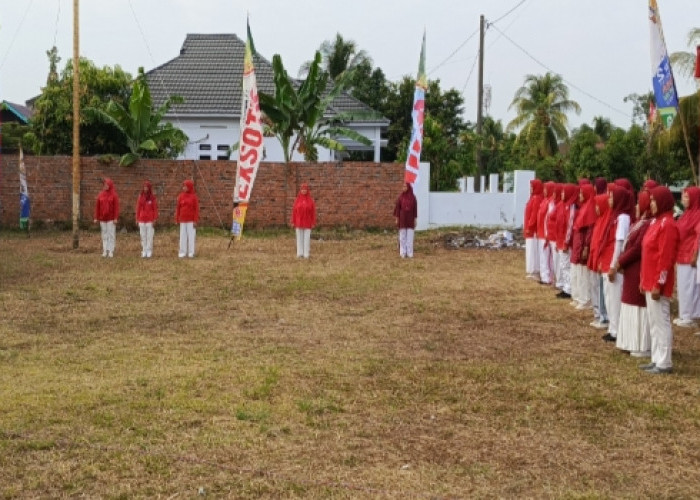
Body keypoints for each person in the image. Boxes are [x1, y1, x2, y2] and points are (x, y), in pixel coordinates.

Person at [640, 186, 679, 374]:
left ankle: (664, 362)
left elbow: (665, 258)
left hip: (658, 283)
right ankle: (656, 358)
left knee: (661, 321)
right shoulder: (657, 222)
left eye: (655, 200)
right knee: (653, 322)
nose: (651, 204)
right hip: (649, 279)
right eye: (651, 200)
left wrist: (658, 283)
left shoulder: (668, 224)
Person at [611, 190, 652, 356]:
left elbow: (636, 249)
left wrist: (620, 261)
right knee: (629, 303)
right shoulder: (640, 222)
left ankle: (640, 345)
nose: (636, 206)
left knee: (637, 306)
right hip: (630, 269)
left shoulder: (647, 223)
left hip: (637, 268)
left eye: (639, 202)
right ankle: (628, 341)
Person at [598, 185, 633, 342]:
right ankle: (613, 328)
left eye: (612, 197)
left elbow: (619, 243)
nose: (609, 200)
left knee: (614, 296)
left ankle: (617, 330)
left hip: (613, 263)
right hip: (607, 261)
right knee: (609, 296)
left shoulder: (623, 217)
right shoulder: (614, 215)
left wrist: (613, 265)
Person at [673, 187, 700, 328]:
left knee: (689, 287)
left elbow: (698, 236)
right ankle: (683, 314)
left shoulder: (697, 215)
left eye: (687, 197)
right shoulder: (686, 214)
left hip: (689, 255)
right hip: (681, 254)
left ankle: (689, 316)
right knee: (682, 286)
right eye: (683, 197)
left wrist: (695, 254)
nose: (684, 200)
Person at [93, 178, 120, 258]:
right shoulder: (100, 194)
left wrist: (115, 218)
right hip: (102, 218)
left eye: (107, 185)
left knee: (111, 234)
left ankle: (111, 250)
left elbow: (116, 207)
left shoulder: (114, 195)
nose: (106, 186)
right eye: (105, 185)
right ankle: (105, 250)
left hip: (111, 218)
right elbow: (97, 207)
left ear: (110, 185)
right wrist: (96, 217)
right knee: (104, 234)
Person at [524, 179, 543, 279]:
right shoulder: (533, 198)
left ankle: (534, 270)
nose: (530, 189)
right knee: (530, 249)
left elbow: (534, 214)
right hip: (530, 229)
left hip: (533, 230)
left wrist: (530, 226)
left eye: (532, 187)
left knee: (533, 250)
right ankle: (532, 269)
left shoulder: (536, 199)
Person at [292, 183, 316, 259]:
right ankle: (299, 253)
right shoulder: (297, 200)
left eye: (305, 189)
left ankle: (306, 254)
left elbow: (313, 212)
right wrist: (293, 221)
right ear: (300, 190)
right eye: (302, 189)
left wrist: (313, 222)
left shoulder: (310, 201)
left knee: (306, 238)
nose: (303, 191)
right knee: (299, 238)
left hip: (307, 222)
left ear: (307, 190)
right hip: (298, 222)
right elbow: (294, 211)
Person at [176, 179, 199, 258]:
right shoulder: (180, 196)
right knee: (182, 236)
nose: (184, 188)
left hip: (191, 220)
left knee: (191, 236)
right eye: (183, 186)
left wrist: (195, 220)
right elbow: (178, 208)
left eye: (185, 186)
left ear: (189, 187)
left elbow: (196, 209)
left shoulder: (194, 197)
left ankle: (191, 252)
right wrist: (177, 218)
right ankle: (182, 251)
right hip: (182, 219)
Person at [394, 182, 418, 258]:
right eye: (403, 186)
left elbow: (415, 209)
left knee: (410, 237)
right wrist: (397, 219)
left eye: (405, 186)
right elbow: (397, 209)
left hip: (410, 219)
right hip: (402, 219)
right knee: (402, 237)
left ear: (408, 187)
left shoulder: (413, 197)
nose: (403, 188)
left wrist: (415, 219)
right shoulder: (400, 197)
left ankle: (410, 253)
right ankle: (402, 253)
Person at [136, 180, 158, 258]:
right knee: (143, 236)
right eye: (144, 187)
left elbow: (155, 209)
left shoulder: (152, 198)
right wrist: (137, 218)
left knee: (149, 236)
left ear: (149, 188)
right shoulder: (140, 196)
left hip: (150, 220)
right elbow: (138, 208)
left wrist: (155, 219)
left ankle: (149, 250)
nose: (145, 189)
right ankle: (144, 250)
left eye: (147, 187)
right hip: (142, 219)